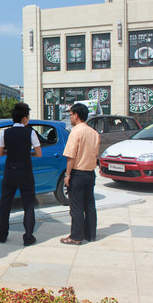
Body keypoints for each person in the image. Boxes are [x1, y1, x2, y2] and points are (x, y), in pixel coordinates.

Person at [0, 102, 42, 246]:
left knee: (5, 205)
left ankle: (2, 235)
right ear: (24, 118)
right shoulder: (31, 132)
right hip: (25, 173)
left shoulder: (5, 133)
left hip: (10, 172)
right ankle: (28, 237)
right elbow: (39, 154)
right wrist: (27, 152)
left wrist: (10, 151)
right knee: (28, 205)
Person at [60, 103, 100, 245]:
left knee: (76, 207)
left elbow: (71, 156)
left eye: (70, 114)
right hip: (90, 173)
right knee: (89, 204)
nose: (70, 117)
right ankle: (90, 234)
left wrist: (67, 174)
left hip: (78, 173)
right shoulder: (94, 133)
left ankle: (76, 236)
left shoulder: (76, 132)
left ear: (76, 115)